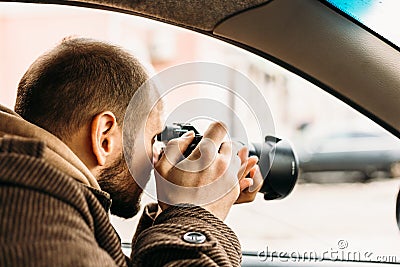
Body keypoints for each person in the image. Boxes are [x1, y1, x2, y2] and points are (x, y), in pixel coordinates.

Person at [0, 37, 263, 266]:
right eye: (152, 138)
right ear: (105, 137)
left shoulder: (40, 197)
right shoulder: (36, 221)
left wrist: (176, 212)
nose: (157, 155)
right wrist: (195, 214)